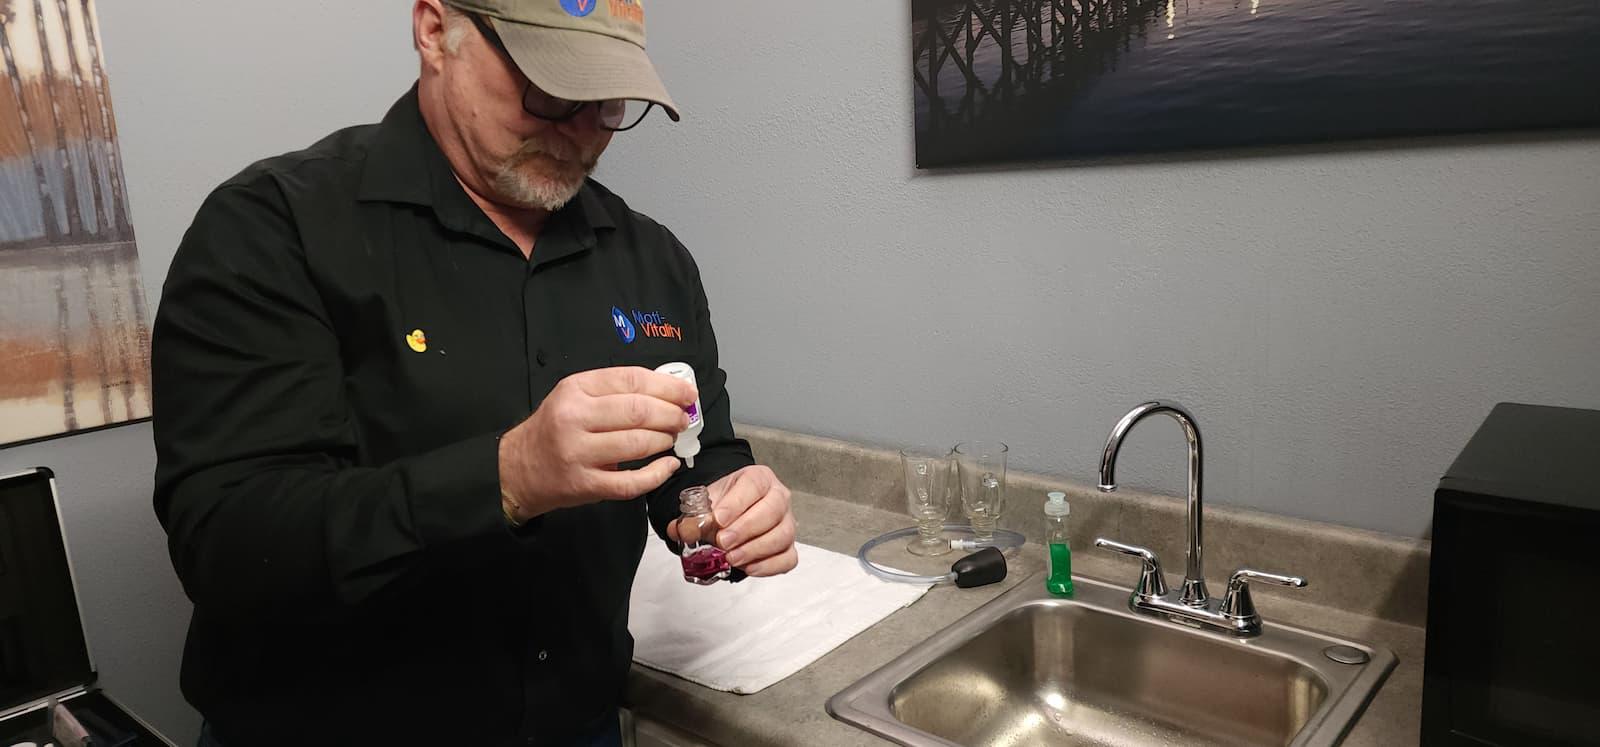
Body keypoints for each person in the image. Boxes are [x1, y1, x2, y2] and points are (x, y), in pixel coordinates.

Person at [150, 2, 797, 745]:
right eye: (551, 91)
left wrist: (725, 508)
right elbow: (227, 546)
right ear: (435, 31)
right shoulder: (272, 229)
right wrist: (507, 477)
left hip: (578, 726)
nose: (581, 129)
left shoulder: (652, 258)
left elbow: (697, 452)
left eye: (609, 103)